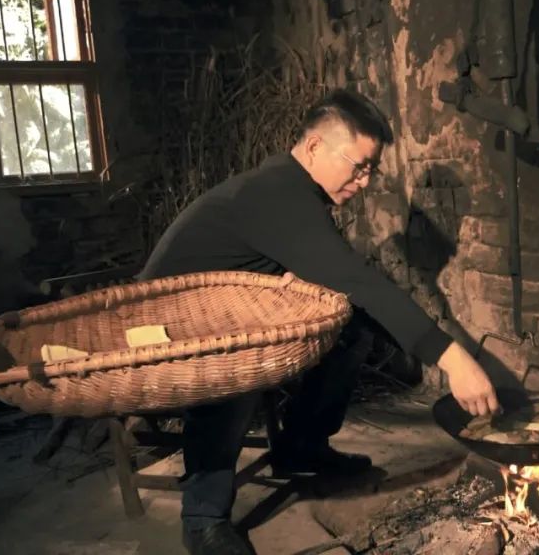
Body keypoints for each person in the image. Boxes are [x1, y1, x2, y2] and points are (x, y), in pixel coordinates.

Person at [138, 88, 500, 555]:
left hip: (221, 311)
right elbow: (359, 280)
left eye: (371, 170)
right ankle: (203, 516)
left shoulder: (290, 188)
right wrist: (453, 359)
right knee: (239, 360)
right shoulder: (277, 195)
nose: (364, 181)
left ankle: (302, 447)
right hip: (164, 333)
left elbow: (347, 290)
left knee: (351, 328)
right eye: (359, 166)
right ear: (314, 147)